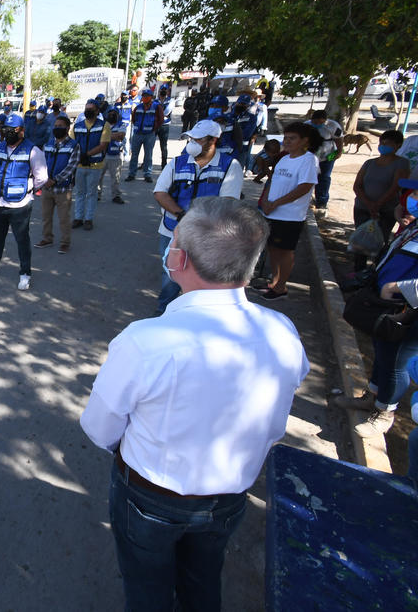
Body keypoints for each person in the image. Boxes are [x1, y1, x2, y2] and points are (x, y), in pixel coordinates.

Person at [81, 197, 309, 612]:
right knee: (203, 578)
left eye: (172, 243)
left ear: (179, 259)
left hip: (150, 495)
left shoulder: (145, 341)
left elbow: (100, 427)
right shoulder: (282, 330)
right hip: (230, 492)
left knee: (146, 587)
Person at [335, 206, 418, 437]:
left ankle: (385, 413)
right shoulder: (414, 226)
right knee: (382, 351)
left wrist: (396, 287)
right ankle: (373, 398)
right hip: (389, 303)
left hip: (408, 309)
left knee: (396, 362)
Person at [153, 119, 243, 314]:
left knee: (201, 277)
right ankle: (164, 312)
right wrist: (180, 215)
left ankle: (193, 315)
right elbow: (160, 192)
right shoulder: (177, 163)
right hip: (172, 230)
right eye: (191, 139)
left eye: (198, 139)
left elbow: (228, 202)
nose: (192, 143)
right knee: (171, 275)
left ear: (213, 140)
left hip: (206, 235)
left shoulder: (229, 166)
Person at [0, 112, 48, 291]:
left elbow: (42, 177)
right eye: (5, 128)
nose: (8, 132)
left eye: (12, 129)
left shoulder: (33, 150)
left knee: (22, 240)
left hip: (19, 205)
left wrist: (26, 189)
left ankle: (25, 273)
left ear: (21, 130)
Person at [257, 121, 321, 299]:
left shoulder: (308, 160)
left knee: (284, 251)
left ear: (304, 140)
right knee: (273, 248)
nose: (287, 141)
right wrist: (266, 201)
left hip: (290, 216)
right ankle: (274, 281)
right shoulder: (284, 158)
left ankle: (281, 287)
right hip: (272, 212)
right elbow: (273, 181)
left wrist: (277, 203)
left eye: (292, 138)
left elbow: (304, 187)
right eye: (285, 138)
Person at [351, 130, 409, 270]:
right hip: (362, 208)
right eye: (382, 143)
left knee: (380, 241)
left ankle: (377, 271)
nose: (383, 146)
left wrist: (377, 205)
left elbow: (395, 187)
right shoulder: (369, 163)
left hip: (386, 210)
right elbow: (357, 185)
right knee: (360, 240)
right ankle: (358, 271)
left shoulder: (402, 163)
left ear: (398, 145)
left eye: (388, 143)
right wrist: (368, 203)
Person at [35, 115, 79, 253]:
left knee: (64, 218)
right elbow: (41, 163)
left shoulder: (74, 145)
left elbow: (71, 167)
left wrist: (54, 180)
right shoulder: (48, 144)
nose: (57, 128)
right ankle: (47, 238)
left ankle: (65, 242)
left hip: (63, 189)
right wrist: (44, 179)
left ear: (67, 128)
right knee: (46, 216)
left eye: (60, 126)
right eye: (55, 126)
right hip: (47, 188)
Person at [71, 100, 111, 230]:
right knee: (79, 192)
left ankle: (88, 219)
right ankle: (78, 218)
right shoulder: (77, 126)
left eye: (91, 109)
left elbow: (103, 145)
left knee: (91, 193)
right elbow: (71, 143)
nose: (88, 111)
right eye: (86, 108)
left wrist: (86, 154)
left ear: (97, 111)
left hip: (95, 165)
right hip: (80, 165)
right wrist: (79, 156)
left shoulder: (104, 125)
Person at [307, 109, 344, 210]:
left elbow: (339, 139)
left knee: (324, 178)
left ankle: (322, 201)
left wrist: (339, 152)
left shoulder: (333, 126)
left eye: (320, 122)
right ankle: (307, 198)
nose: (317, 124)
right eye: (315, 122)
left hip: (328, 155)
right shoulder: (306, 125)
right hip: (310, 155)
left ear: (325, 120)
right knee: (308, 176)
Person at [125, 89, 163, 183]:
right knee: (134, 155)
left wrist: (154, 128)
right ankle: (131, 174)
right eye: (144, 96)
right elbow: (134, 118)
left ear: (151, 97)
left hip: (149, 134)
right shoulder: (138, 107)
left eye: (147, 96)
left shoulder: (156, 107)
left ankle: (147, 174)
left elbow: (161, 119)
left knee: (148, 155)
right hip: (137, 134)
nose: (145, 98)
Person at [100, 108, 126, 205]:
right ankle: (97, 194)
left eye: (114, 113)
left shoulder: (121, 124)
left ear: (118, 115)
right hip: (103, 155)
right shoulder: (103, 125)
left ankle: (116, 196)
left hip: (116, 155)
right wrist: (114, 135)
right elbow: (98, 136)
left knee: (115, 178)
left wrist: (105, 135)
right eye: (110, 113)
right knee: (98, 176)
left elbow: (121, 136)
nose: (112, 115)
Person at [155, 87, 173, 168]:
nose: (163, 91)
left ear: (167, 91)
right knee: (149, 145)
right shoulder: (155, 101)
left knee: (163, 146)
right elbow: (153, 111)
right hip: (156, 125)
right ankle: (146, 163)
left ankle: (164, 164)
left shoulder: (170, 100)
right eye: (162, 90)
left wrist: (159, 113)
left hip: (165, 125)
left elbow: (167, 112)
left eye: (165, 90)